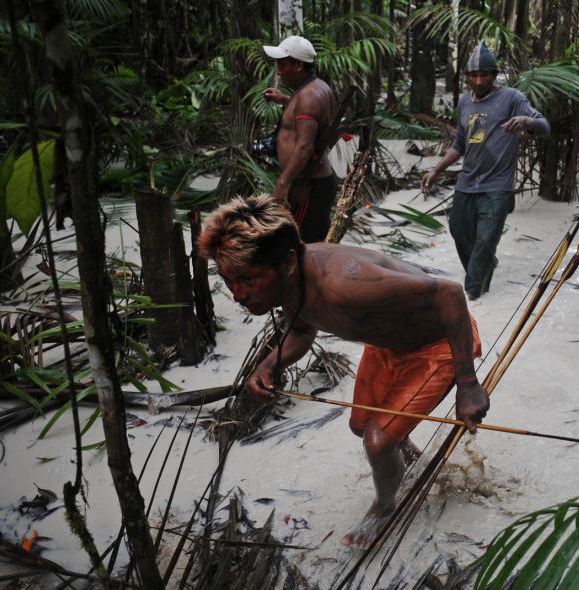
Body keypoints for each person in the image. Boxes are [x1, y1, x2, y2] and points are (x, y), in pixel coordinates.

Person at [198, 195, 490, 547]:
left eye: (247, 279)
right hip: (387, 345)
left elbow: (450, 295)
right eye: (230, 281)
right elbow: (303, 331)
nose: (237, 294)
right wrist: (269, 363)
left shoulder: (347, 283)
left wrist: (468, 383)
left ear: (288, 263)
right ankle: (407, 451)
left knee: (377, 442)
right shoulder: (292, 284)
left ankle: (384, 507)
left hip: (438, 345)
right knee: (360, 425)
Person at [420, 42, 550, 300]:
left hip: (498, 185)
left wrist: (526, 121)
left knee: (485, 240)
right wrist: (436, 170)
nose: (479, 81)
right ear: (467, 76)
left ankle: (473, 293)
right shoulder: (464, 103)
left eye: (485, 75)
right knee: (459, 231)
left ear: (494, 74)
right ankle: (485, 266)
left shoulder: (512, 98)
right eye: (474, 75)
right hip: (467, 182)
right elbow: (460, 144)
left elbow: (544, 125)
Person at [262, 35, 338, 243]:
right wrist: (285, 99)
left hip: (308, 186)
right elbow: (311, 117)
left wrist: (282, 184)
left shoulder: (308, 97)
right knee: (309, 244)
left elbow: (305, 146)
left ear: (299, 65)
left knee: (301, 247)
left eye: (283, 65)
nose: (278, 71)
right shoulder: (315, 87)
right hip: (313, 183)